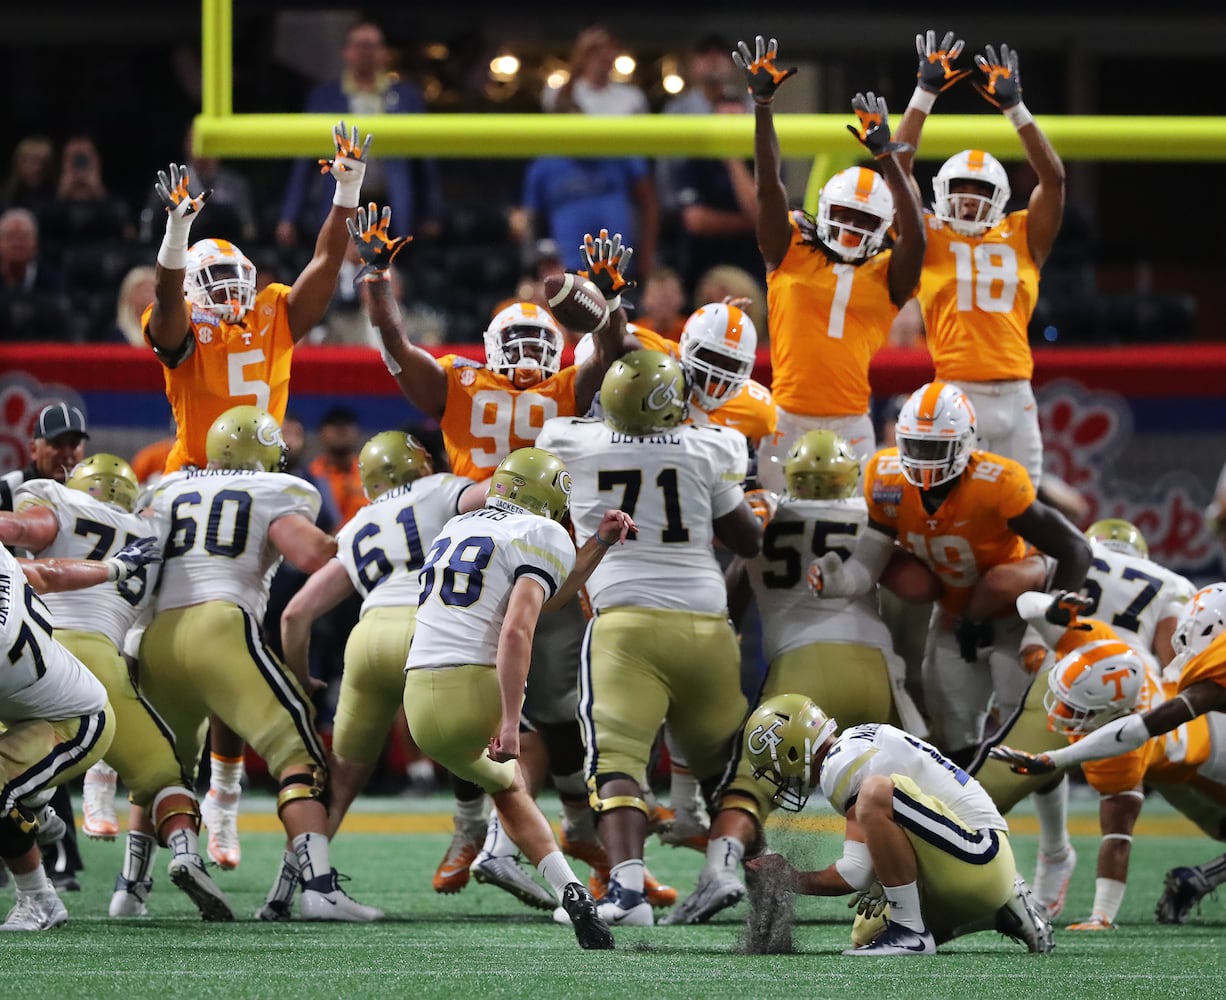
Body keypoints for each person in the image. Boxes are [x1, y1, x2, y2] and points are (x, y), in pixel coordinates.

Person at [356, 207, 648, 897]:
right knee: (478, 695)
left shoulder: (566, 386)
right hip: (481, 554)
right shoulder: (461, 383)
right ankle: (473, 828)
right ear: (489, 344)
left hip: (546, 555)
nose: (526, 351)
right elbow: (395, 343)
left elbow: (614, 356)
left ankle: (562, 831)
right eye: (512, 339)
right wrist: (374, 279)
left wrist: (606, 306)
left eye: (536, 339)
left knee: (557, 703)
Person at [537, 350, 763, 927]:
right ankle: (726, 866)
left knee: (615, 758)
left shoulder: (572, 441)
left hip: (626, 624)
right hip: (707, 624)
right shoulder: (712, 445)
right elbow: (747, 538)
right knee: (724, 764)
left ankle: (629, 893)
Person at [135, 405, 380, 922]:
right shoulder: (275, 491)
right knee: (301, 754)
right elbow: (313, 553)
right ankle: (319, 887)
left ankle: (142, 880)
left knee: (165, 767)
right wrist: (370, 537)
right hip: (222, 625)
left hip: (158, 636)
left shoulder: (168, 489)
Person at [404, 446, 630, 949]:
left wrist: (599, 543)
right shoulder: (540, 531)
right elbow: (516, 632)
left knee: (507, 787)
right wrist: (509, 721)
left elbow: (555, 591)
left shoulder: (456, 526)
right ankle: (563, 881)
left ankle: (570, 890)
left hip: (419, 698)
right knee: (515, 771)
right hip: (474, 687)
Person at [808, 381, 1091, 765]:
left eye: (935, 448)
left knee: (1022, 729)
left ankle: (1053, 828)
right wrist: (837, 579)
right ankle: (971, 819)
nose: (924, 459)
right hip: (953, 611)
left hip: (1011, 609)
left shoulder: (998, 482)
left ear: (967, 443)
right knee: (953, 730)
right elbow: (869, 560)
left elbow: (1075, 548)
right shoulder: (886, 476)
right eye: (916, 446)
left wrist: (1046, 620)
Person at [2, 455, 232, 921]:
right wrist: (117, 570)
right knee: (162, 773)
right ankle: (177, 856)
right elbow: (46, 573)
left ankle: (37, 841)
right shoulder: (150, 533)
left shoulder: (58, 502)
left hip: (57, 662)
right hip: (97, 652)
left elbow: (23, 531)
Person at [970, 518, 1196, 917]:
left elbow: (1033, 648)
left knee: (980, 796)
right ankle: (1097, 907)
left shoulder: (1069, 559)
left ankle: (935, 872)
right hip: (1133, 691)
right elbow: (1173, 661)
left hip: (1069, 678)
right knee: (1126, 801)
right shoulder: (1171, 582)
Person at [732, 35, 925, 486]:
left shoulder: (888, 274)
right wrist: (763, 107)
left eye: (864, 220)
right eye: (843, 215)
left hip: (852, 423)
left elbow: (915, 235)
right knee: (775, 529)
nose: (853, 229)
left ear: (881, 227)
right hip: (786, 416)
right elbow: (768, 189)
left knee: (851, 534)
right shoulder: (791, 246)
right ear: (824, 208)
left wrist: (888, 159)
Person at [280, 431, 485, 838]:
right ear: (421, 461)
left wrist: (301, 679)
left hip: (368, 641)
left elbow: (295, 615)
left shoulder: (358, 521)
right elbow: (504, 492)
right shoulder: (442, 488)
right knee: (498, 757)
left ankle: (300, 881)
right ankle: (489, 840)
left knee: (339, 782)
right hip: (430, 630)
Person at [742, 694, 1053, 955]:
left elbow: (855, 873)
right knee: (867, 935)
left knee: (875, 794)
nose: (780, 777)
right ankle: (1001, 912)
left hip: (979, 855)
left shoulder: (842, 763)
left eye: (776, 766)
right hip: (966, 855)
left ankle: (910, 932)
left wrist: (789, 877)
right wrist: (885, 866)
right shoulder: (855, 741)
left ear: (793, 751)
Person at [145, 118, 373, 474]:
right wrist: (177, 231)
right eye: (217, 275)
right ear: (190, 285)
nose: (229, 285)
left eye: (234, 274)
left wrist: (347, 192)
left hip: (265, 470)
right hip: (197, 471)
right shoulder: (184, 324)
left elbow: (327, 263)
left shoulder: (273, 312)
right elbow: (166, 298)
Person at [892, 31, 1065, 487]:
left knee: (1022, 511)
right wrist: (924, 93)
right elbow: (897, 170)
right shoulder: (928, 234)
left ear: (1001, 196)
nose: (969, 201)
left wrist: (1016, 108)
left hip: (1016, 393)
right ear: (942, 195)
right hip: (954, 391)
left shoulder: (1023, 233)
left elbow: (1054, 177)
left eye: (980, 190)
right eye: (961, 190)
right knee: (948, 505)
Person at [1021, 607, 1226, 931]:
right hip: (1190, 747)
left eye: (1075, 706)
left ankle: (1198, 880)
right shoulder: (1103, 644)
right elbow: (1027, 605)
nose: (1060, 710)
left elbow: (1117, 833)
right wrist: (1048, 606)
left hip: (1207, 760)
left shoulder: (1123, 752)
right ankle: (1199, 879)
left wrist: (1101, 916)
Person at [0, 536, 162, 930]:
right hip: (24, 706)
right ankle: (34, 807)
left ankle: (39, 899)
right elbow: (42, 572)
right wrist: (116, 568)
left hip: (74, 722)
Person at [0, 401, 89, 892]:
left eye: (75, 442)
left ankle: (63, 858)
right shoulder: (12, 491)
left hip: (71, 628)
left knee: (51, 748)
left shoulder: (89, 489)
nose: (68, 452)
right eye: (57, 442)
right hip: (22, 632)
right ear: (33, 443)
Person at [276, 20, 442, 249]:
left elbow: (425, 161)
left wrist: (430, 213)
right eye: (361, 45)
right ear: (346, 52)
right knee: (335, 270)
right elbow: (304, 161)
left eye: (373, 46)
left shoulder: (407, 97)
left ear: (384, 52)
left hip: (391, 201)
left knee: (388, 272)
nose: (367, 53)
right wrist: (289, 216)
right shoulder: (324, 97)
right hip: (341, 201)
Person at [542, 25, 648, 116]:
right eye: (597, 50)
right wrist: (578, 60)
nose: (606, 55)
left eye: (611, 48)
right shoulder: (556, 90)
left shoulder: (632, 96)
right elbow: (555, 106)